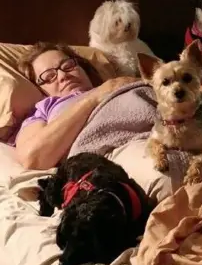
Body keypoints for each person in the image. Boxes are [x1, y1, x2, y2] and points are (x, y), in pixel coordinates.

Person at [14, 42, 136, 170]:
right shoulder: (42, 111)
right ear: (40, 90)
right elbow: (33, 158)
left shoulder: (118, 83)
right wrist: (94, 97)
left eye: (68, 66)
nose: (63, 76)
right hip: (121, 154)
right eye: (49, 77)